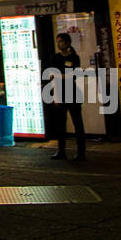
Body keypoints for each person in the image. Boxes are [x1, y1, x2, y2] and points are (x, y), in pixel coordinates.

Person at [45, 33, 86, 162]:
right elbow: (53, 75)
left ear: (68, 43)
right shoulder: (55, 57)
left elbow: (75, 74)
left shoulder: (74, 57)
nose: (59, 44)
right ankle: (61, 151)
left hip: (73, 93)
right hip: (60, 92)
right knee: (60, 124)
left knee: (77, 123)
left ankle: (81, 152)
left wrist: (60, 75)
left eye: (61, 41)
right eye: (58, 41)